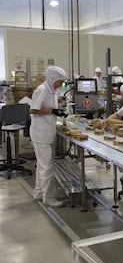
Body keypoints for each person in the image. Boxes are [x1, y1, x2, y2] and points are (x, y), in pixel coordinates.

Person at [30, 66, 68, 207]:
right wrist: (53, 110)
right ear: (52, 79)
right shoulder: (42, 90)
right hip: (41, 133)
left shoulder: (51, 90)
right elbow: (34, 109)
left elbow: (47, 103)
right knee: (47, 167)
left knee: (42, 166)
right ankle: (49, 198)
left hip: (47, 132)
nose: (61, 84)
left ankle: (39, 193)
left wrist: (58, 101)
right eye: (60, 81)